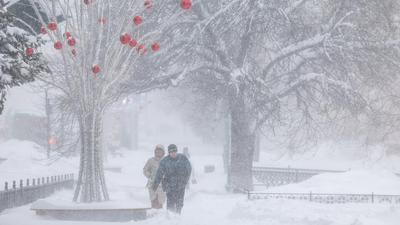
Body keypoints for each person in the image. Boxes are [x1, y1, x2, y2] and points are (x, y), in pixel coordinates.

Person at [152, 144, 191, 214]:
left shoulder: (183, 158)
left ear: (177, 151)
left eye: (175, 151)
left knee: (179, 203)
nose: (173, 153)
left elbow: (188, 169)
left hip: (180, 185)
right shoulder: (165, 161)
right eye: (171, 152)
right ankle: (170, 217)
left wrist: (185, 181)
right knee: (170, 204)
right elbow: (159, 174)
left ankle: (178, 216)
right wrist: (155, 184)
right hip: (169, 186)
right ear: (169, 152)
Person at [143, 144, 166, 209]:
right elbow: (145, 170)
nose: (158, 152)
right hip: (152, 184)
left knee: (160, 202)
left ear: (163, 152)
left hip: (162, 185)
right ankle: (154, 214)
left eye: (160, 151)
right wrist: (150, 175)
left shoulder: (166, 161)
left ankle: (159, 216)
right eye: (157, 151)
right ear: (155, 152)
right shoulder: (151, 160)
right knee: (154, 201)